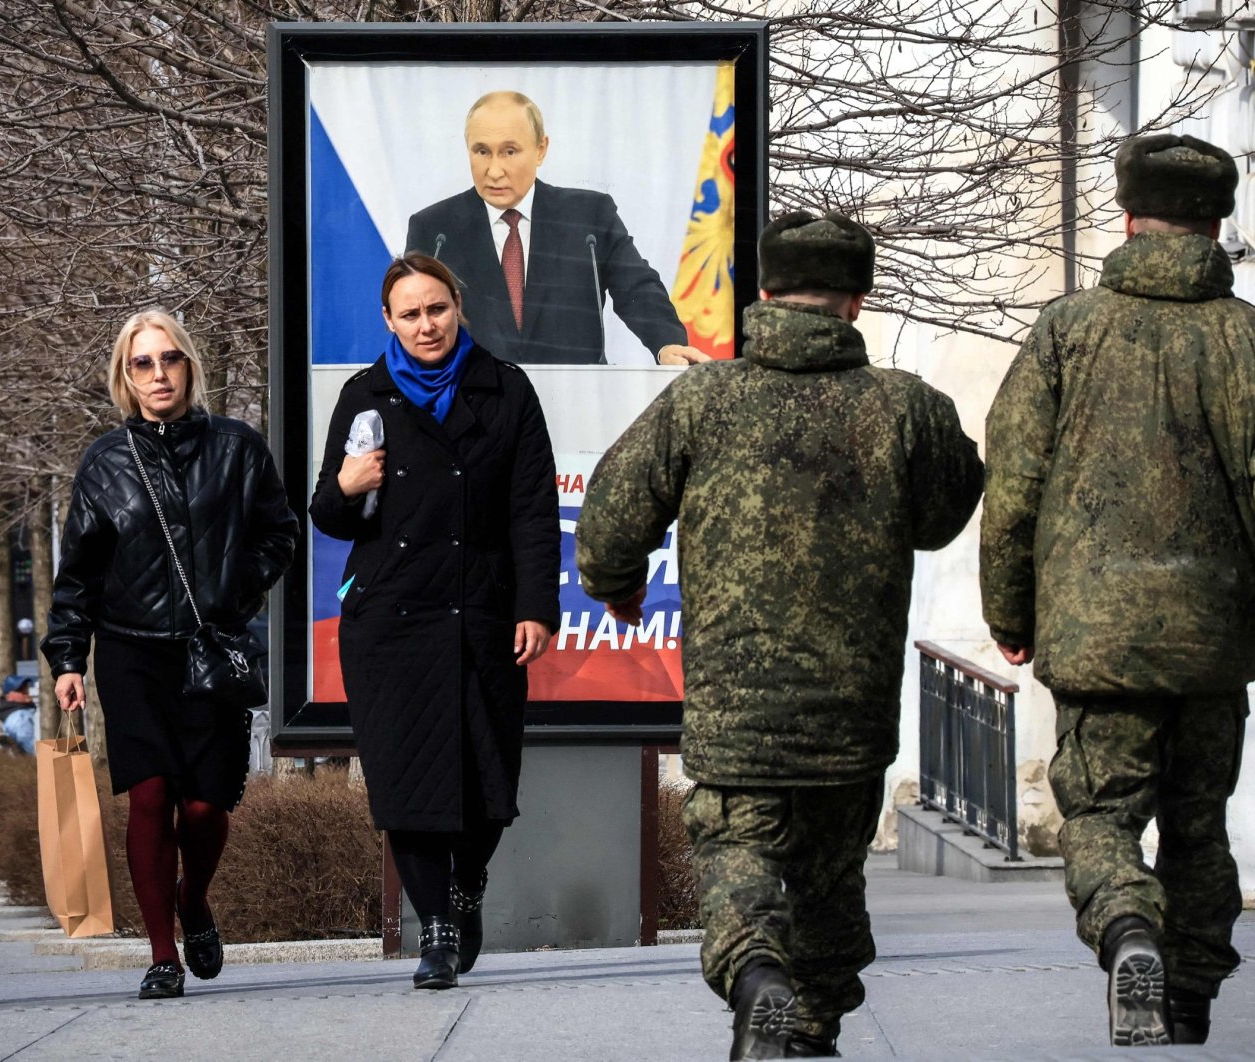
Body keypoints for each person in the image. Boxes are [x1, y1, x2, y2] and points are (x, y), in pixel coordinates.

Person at [576, 212, 983, 1059]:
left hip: (736, 718)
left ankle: (757, 979)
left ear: (762, 293)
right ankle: (809, 1027)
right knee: (833, 890)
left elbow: (609, 524)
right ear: (856, 301)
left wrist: (614, 590)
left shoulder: (702, 399)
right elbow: (945, 516)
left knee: (739, 862)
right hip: (850, 715)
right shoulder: (904, 407)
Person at [980, 134, 1254, 1049]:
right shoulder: (1249, 338)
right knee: (1198, 822)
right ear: (1219, 223)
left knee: (1100, 812)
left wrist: (1009, 611)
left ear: (1129, 218)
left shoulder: (1068, 330)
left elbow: (1014, 479)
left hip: (1096, 636)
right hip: (1215, 638)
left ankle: (1128, 928)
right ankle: (1192, 997)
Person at [309, 254, 560, 990]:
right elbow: (328, 511)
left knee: (488, 781)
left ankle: (467, 885)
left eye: (437, 309)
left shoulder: (506, 390)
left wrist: (536, 606)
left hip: (480, 612)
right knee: (405, 780)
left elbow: (533, 512)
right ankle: (437, 931)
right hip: (390, 618)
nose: (426, 324)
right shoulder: (365, 396)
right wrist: (347, 486)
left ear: (459, 308)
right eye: (410, 313)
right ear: (389, 321)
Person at [42, 309, 297, 1001]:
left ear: (190, 366)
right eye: (143, 363)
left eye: (170, 359)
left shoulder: (238, 449)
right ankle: (161, 955)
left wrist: (231, 593)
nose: (159, 374)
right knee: (151, 798)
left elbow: (279, 534)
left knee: (207, 809)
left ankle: (194, 900)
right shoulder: (105, 461)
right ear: (126, 377)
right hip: (130, 654)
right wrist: (67, 656)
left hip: (211, 652)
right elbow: (79, 574)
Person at [405, 91, 707, 367]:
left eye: (509, 152)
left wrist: (666, 343)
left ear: (541, 149)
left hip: (577, 401)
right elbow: (411, 318)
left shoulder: (589, 217)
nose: (494, 170)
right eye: (482, 151)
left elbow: (637, 288)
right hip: (470, 408)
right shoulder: (435, 230)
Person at [0, 675, 37, 755]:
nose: (26, 691)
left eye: (26, 687)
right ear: (8, 696)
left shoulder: (14, 713)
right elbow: (32, 748)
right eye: (19, 690)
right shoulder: (21, 717)